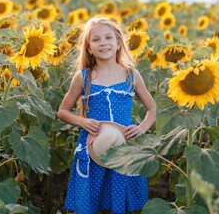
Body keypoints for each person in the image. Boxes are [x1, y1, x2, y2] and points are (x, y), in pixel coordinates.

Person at [57, 15, 156, 214]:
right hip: (93, 143)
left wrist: (141, 127)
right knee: (93, 197)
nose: (103, 43)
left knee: (120, 195)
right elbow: (62, 111)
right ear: (88, 48)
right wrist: (82, 121)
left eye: (108, 38)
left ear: (119, 43)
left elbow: (152, 109)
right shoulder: (83, 77)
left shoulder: (131, 75)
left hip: (125, 144)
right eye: (96, 39)